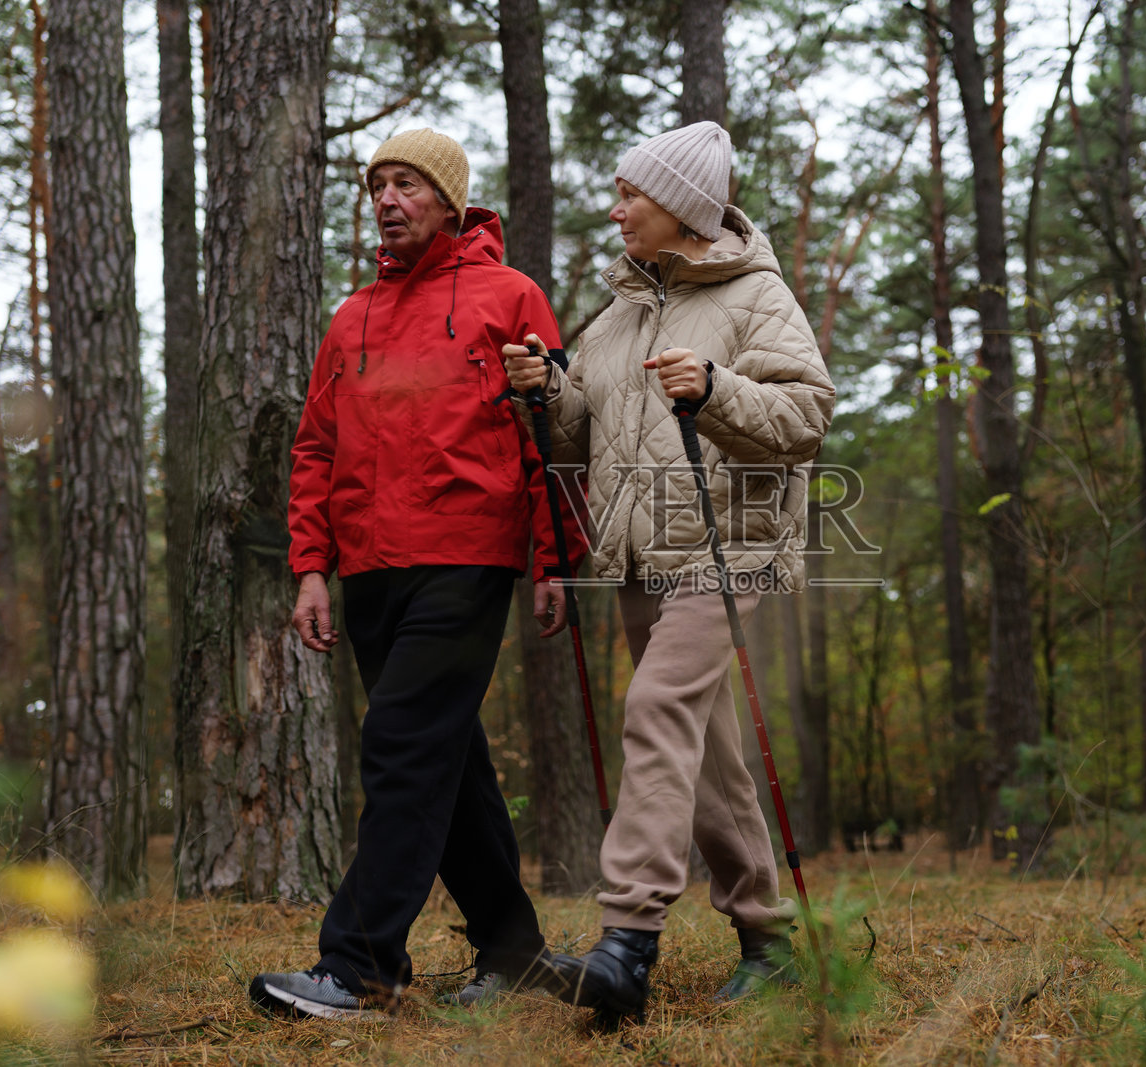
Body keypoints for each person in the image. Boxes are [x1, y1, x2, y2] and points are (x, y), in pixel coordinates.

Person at [502, 120, 834, 1026]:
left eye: (629, 196)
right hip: (643, 553)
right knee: (709, 752)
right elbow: (582, 436)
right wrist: (548, 390)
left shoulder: (755, 293)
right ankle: (768, 944)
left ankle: (626, 944)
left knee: (654, 708)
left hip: (732, 551)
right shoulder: (619, 311)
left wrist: (716, 387)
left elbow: (807, 415)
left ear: (681, 209)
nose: (614, 211)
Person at [249, 128, 576, 1020]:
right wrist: (311, 567)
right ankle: (514, 954)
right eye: (378, 185)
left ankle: (360, 965)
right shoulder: (351, 316)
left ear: (450, 201)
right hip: (370, 571)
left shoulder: (510, 298)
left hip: (467, 557)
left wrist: (555, 559)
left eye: (408, 185)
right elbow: (315, 448)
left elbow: (551, 438)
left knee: (400, 747)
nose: (388, 200)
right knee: (445, 760)